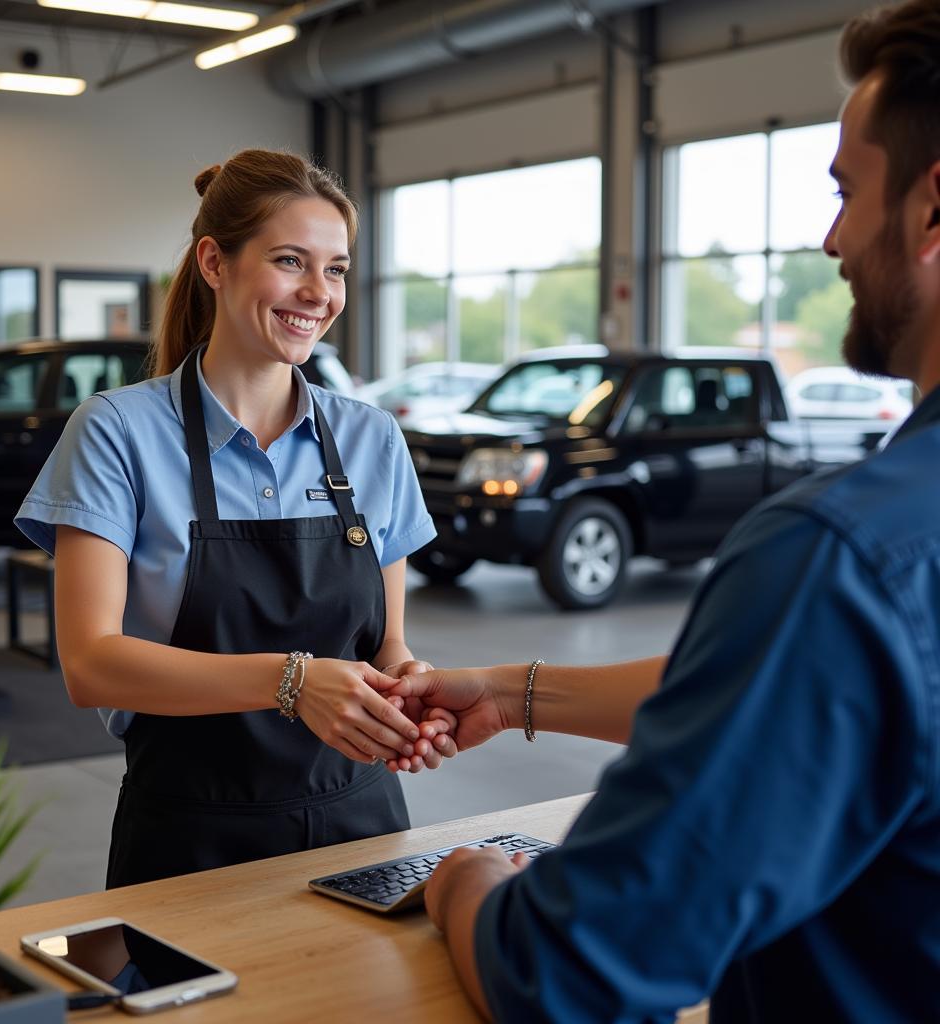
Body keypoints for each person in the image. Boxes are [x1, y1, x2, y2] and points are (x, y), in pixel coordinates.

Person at [386, 2, 940, 1019]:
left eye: (845, 191)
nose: (829, 236)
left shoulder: (840, 554)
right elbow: (787, 705)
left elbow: (570, 968)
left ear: (932, 209)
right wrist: (508, 692)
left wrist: (468, 883)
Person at [15, 149, 443, 889]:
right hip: (190, 838)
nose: (319, 292)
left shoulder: (372, 438)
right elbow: (91, 665)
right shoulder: (118, 432)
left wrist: (407, 686)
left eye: (336, 268)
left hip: (361, 820)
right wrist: (293, 680)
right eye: (290, 261)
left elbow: (387, 642)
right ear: (214, 262)